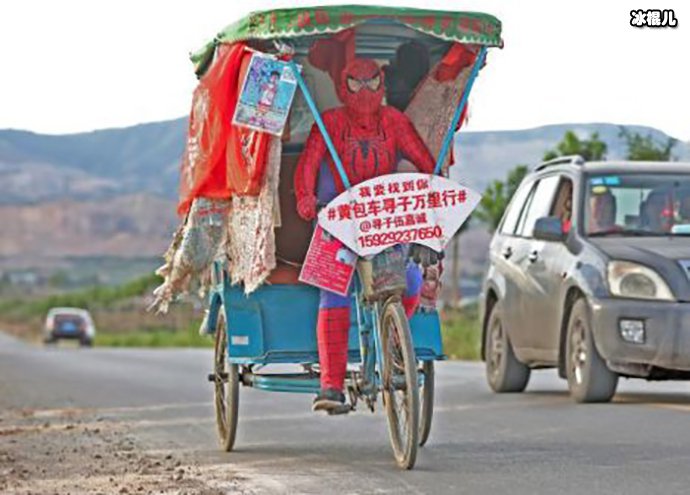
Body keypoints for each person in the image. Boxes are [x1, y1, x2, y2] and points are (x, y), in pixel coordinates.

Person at [294, 58, 436, 413]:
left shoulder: (394, 122)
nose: (365, 91)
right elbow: (308, 164)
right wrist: (306, 197)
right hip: (337, 219)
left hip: (383, 219)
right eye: (356, 84)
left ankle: (394, 346)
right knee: (333, 291)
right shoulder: (330, 124)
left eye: (371, 83)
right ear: (344, 86)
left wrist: (431, 189)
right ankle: (331, 383)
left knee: (410, 279)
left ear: (382, 82)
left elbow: (423, 160)